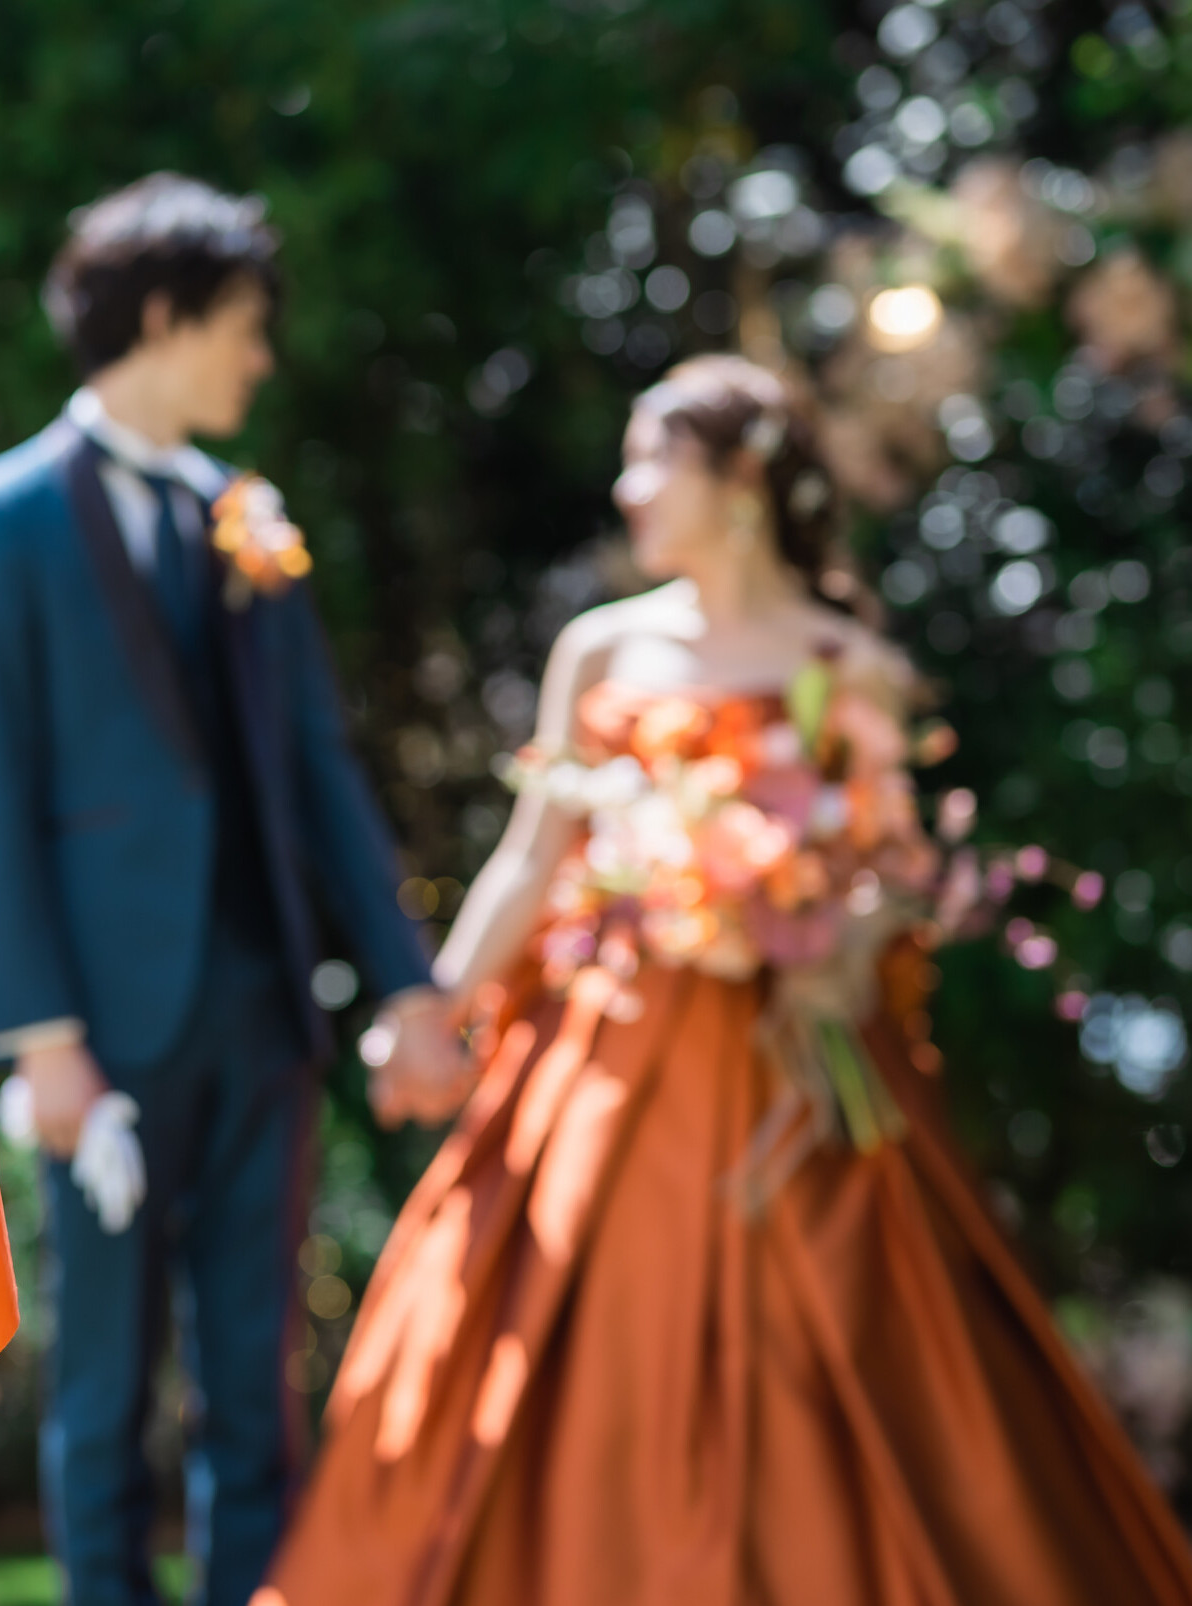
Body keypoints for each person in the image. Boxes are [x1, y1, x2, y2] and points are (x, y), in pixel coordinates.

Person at [263, 355, 1192, 1605]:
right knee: (574, 1322)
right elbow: (533, 854)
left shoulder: (844, 662)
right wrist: (437, 1007)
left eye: (654, 460)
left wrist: (820, 936)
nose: (628, 488)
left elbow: (895, 870)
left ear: (741, 481)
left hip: (799, 1061)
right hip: (611, 1053)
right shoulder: (600, 649)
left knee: (849, 1339)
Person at [0, 173, 461, 1606]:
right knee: (105, 1384)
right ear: (164, 316)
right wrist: (44, 1041)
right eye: (243, 326)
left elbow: (319, 768)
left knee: (255, 1379)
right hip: (102, 1028)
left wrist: (406, 981)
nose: (261, 360)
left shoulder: (244, 515)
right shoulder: (1, 519)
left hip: (265, 1011)